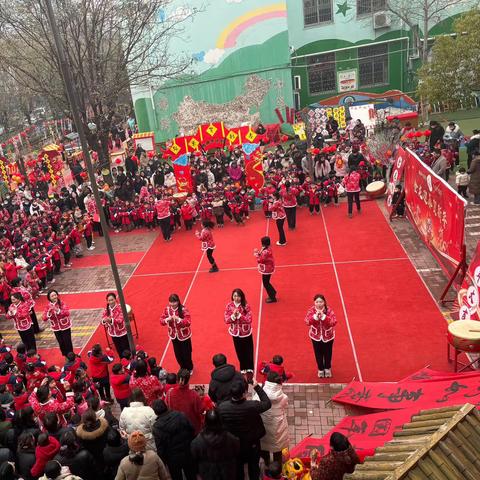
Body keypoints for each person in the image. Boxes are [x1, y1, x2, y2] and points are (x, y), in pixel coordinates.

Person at [217, 379, 271, 480]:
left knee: (238, 467)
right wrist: (257, 387)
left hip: (234, 444)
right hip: (252, 443)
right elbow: (267, 403)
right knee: (254, 467)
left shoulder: (223, 407)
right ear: (244, 393)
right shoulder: (252, 406)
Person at [152, 399, 196, 480]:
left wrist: (162, 464)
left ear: (155, 412)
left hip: (172, 458)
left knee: (176, 477)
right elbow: (192, 430)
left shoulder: (156, 427)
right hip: (187, 452)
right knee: (191, 475)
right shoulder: (180, 415)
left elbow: (160, 448)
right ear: (166, 406)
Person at [190, 409, 240, 480]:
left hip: (207, 472)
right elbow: (237, 449)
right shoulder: (230, 438)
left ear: (206, 422)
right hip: (227, 471)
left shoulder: (198, 441)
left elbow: (194, 455)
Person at [253, 372, 289, 466]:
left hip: (264, 427)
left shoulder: (258, 396)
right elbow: (285, 406)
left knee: (264, 447)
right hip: (278, 427)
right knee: (277, 449)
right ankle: (277, 468)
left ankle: (267, 464)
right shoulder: (283, 397)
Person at [224, 289, 254, 379]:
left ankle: (250, 368)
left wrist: (240, 316)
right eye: (235, 296)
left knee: (248, 351)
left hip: (245, 333)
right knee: (239, 351)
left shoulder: (246, 306)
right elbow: (226, 320)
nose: (236, 298)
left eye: (238, 296)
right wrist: (233, 316)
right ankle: (243, 367)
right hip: (235, 333)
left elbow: (249, 320)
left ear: (242, 297)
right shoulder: (229, 306)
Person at [305, 294, 337, 378]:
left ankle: (327, 368)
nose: (319, 304)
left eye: (321, 302)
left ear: (324, 302)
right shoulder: (311, 311)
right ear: (314, 302)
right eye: (317, 302)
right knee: (318, 353)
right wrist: (315, 317)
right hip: (315, 336)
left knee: (328, 353)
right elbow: (307, 322)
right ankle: (320, 369)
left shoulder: (329, 311)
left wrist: (324, 317)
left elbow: (334, 322)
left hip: (328, 336)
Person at [160, 294, 193, 372]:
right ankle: (182, 367)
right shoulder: (167, 310)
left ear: (178, 302)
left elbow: (188, 322)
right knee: (178, 354)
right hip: (174, 336)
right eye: (171, 302)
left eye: (174, 302)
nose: (172, 304)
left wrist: (178, 319)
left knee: (187, 354)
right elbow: (161, 321)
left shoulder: (184, 309)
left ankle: (189, 368)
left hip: (184, 336)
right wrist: (167, 319)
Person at [164, 369, 203, 435]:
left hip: (176, 425)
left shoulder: (170, 393)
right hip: (191, 426)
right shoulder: (194, 395)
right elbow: (200, 411)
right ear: (188, 380)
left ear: (177, 380)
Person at [43, 290, 73, 357]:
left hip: (65, 326)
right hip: (56, 328)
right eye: (52, 296)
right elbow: (44, 318)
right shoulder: (48, 306)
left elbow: (67, 313)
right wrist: (49, 313)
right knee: (61, 343)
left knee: (67, 342)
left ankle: (71, 356)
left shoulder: (62, 303)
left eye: (55, 295)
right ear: (49, 298)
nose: (54, 297)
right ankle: (65, 356)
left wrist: (57, 310)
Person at [102, 293, 130, 358]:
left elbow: (120, 320)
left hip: (122, 333)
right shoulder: (106, 310)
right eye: (109, 300)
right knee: (119, 350)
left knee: (126, 349)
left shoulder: (120, 308)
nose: (111, 302)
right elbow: (102, 320)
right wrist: (104, 320)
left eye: (112, 300)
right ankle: (123, 361)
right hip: (113, 334)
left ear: (115, 299)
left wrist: (110, 320)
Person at [255, 236, 277, 303]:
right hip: (269, 267)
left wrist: (256, 254)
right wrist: (259, 252)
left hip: (267, 269)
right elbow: (262, 254)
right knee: (266, 282)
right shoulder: (267, 248)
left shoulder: (265, 251)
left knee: (266, 283)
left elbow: (260, 260)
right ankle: (273, 292)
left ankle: (273, 297)